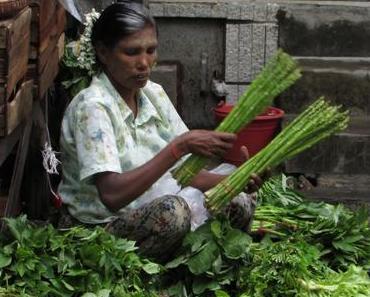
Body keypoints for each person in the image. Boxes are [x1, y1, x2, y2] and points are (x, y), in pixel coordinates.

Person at [58, 1, 264, 261]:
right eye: (131, 52)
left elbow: (185, 175)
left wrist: (239, 181)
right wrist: (179, 147)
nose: (144, 63)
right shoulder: (93, 107)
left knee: (238, 201)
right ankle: (148, 273)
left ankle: (189, 265)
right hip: (100, 228)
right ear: (103, 52)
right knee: (173, 214)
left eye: (151, 50)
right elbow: (111, 195)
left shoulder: (153, 93)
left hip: (150, 208)